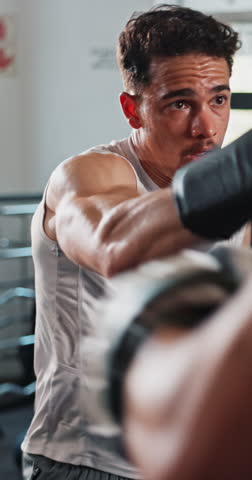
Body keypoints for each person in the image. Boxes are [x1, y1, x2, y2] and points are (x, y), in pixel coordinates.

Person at [21, 4, 246, 480]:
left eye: (219, 100)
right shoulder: (88, 175)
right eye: (180, 103)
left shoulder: (235, 193)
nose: (206, 128)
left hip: (193, 455)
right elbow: (113, 242)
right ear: (132, 109)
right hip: (85, 463)